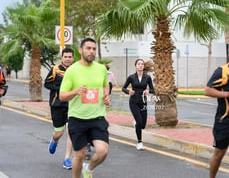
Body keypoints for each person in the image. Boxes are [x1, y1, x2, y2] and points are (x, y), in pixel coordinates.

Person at [59, 37, 110, 178]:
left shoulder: (101, 69)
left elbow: (105, 84)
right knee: (79, 155)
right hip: (77, 118)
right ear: (81, 51)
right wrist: (75, 92)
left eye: (94, 49)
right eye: (88, 48)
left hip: (98, 117)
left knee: (102, 151)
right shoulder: (72, 70)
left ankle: (89, 168)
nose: (91, 51)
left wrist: (106, 95)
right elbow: (62, 96)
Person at [205, 44, 229, 178]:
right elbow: (208, 90)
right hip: (225, 120)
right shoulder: (222, 71)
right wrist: (227, 95)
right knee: (219, 154)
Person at [44, 47, 74, 170]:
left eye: (70, 57)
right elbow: (47, 84)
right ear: (62, 58)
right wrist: (60, 89)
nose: (67, 59)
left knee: (70, 131)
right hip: (57, 104)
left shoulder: (76, 70)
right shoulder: (55, 69)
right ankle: (54, 140)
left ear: (73, 58)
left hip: (72, 105)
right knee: (59, 132)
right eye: (65, 57)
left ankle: (67, 159)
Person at [122, 59, 154, 150]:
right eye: (139, 64)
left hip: (143, 101)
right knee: (139, 122)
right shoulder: (131, 77)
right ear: (135, 66)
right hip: (133, 101)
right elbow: (123, 88)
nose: (140, 65)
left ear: (143, 66)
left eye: (142, 64)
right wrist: (129, 91)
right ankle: (139, 142)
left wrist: (148, 90)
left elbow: (152, 89)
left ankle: (136, 123)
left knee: (143, 125)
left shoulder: (147, 77)